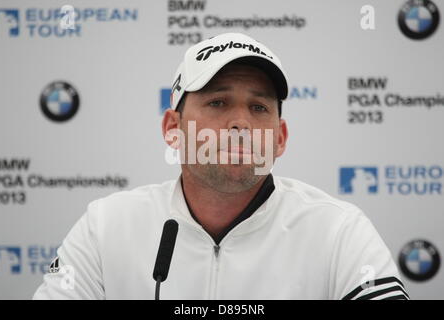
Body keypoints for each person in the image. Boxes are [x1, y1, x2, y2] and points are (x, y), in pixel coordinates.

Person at [33, 33, 409, 300]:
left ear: (280, 138)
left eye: (258, 107)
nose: (240, 123)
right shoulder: (106, 226)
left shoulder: (339, 231)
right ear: (172, 128)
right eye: (217, 103)